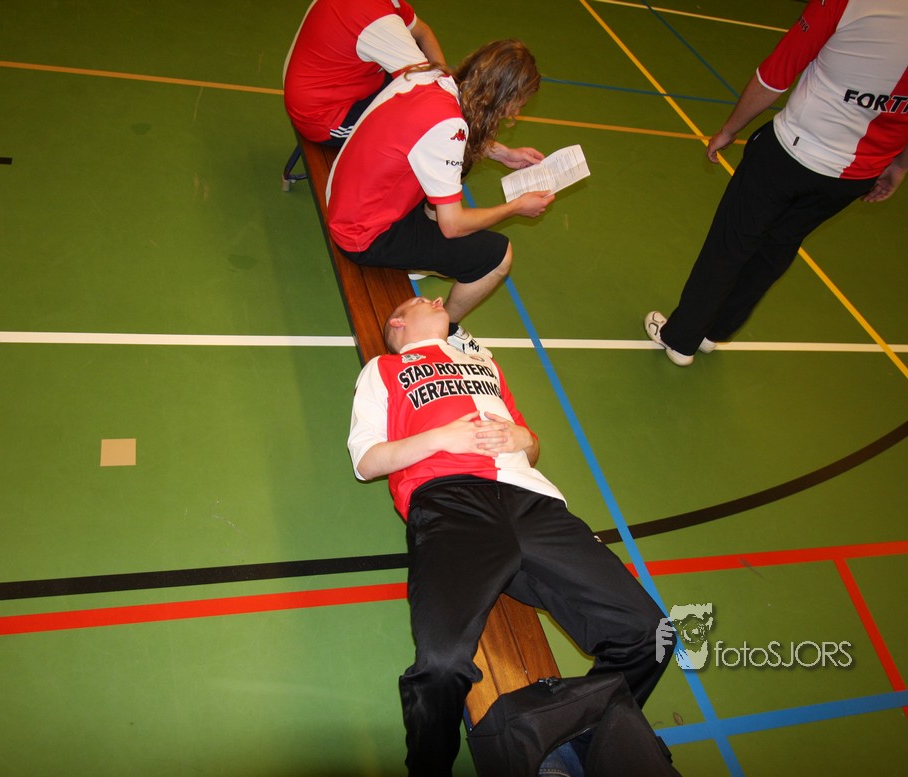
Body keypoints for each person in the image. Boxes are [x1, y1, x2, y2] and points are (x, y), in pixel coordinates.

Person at [348, 295, 670, 776]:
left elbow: (528, 445)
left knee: (650, 634)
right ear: (397, 322)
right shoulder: (384, 369)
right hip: (451, 504)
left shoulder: (484, 365)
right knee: (441, 665)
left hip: (533, 504)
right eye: (421, 299)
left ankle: (576, 736)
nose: (435, 297)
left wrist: (527, 440)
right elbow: (366, 460)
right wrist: (439, 439)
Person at [646, 0, 908, 366]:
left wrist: (730, 129)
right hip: (856, 175)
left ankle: (681, 339)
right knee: (777, 248)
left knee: (731, 243)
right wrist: (903, 164)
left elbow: (775, 74)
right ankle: (713, 333)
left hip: (791, 152)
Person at [327, 40, 553, 357]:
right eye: (515, 104)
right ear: (499, 96)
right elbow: (453, 225)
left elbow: (439, 133)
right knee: (498, 256)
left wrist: (503, 153)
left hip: (346, 193)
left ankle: (419, 257)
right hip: (363, 233)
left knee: (457, 171)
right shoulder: (450, 127)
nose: (514, 113)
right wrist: (516, 207)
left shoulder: (431, 75)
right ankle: (445, 328)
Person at [283, 0, 446, 147]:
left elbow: (423, 32)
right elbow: (425, 87)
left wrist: (444, 76)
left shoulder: (388, 4)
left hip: (331, 88)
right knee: (418, 123)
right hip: (325, 118)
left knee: (425, 92)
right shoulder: (376, 20)